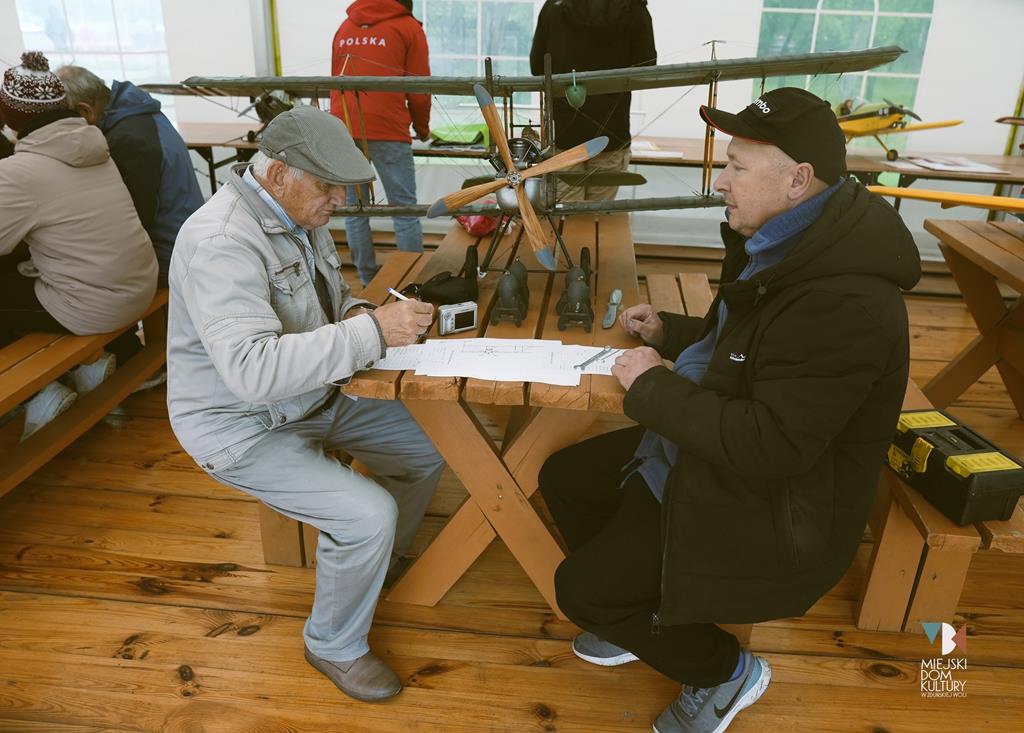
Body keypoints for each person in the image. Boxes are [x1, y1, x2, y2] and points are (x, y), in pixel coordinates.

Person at [538, 88, 921, 733]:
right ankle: (646, 616)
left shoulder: (844, 300)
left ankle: (723, 671)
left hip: (781, 505)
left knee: (582, 591)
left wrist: (651, 387)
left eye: (737, 166)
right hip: (718, 453)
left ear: (798, 180)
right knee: (566, 477)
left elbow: (773, 446)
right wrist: (672, 334)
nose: (721, 181)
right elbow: (750, 352)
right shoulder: (789, 242)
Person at [166, 105, 444, 702]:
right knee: (366, 515)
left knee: (427, 450)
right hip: (240, 426)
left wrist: (363, 314)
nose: (339, 200)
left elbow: (331, 297)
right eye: (328, 186)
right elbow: (250, 371)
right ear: (278, 174)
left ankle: (379, 561)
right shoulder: (220, 241)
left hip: (315, 394)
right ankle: (333, 644)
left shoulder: (296, 211)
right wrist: (373, 333)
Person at [0, 52, 158, 439]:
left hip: (97, 306)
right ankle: (88, 365)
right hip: (139, 286)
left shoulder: (21, 171)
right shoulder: (94, 147)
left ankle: (40, 394)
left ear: (9, 115)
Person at [55, 64, 204, 288]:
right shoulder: (134, 110)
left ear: (86, 111)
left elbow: (131, 225)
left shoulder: (129, 139)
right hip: (185, 243)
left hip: (172, 258)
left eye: (63, 121)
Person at [330, 0, 430, 286]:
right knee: (404, 210)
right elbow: (419, 87)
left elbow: (335, 80)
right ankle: (410, 281)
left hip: (344, 125)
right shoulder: (408, 27)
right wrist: (422, 128)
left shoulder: (345, 26)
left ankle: (367, 281)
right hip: (388, 126)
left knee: (355, 210)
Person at [530, 0, 656, 201]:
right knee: (599, 215)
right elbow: (646, 68)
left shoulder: (553, 7)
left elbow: (537, 67)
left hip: (564, 133)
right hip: (612, 132)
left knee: (567, 215)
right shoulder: (634, 8)